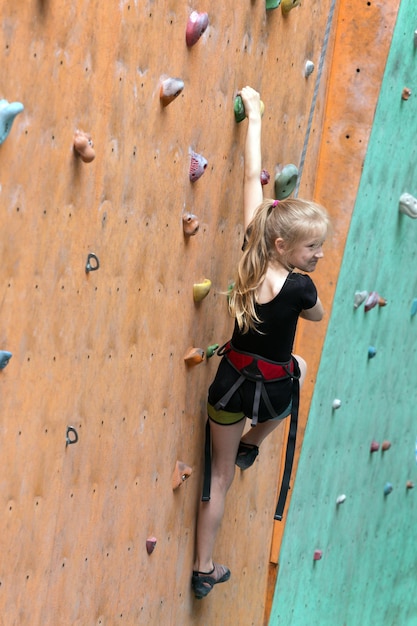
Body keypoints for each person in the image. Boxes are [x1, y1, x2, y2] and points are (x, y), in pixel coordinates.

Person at [191, 86, 330, 599]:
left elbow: (253, 178)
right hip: (267, 392)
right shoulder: (300, 288)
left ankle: (204, 566)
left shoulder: (254, 250)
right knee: (298, 369)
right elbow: (316, 316)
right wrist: (307, 293)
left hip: (229, 385)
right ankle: (253, 443)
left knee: (218, 480)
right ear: (286, 245)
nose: (318, 255)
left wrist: (255, 116)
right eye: (313, 247)